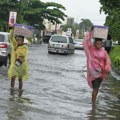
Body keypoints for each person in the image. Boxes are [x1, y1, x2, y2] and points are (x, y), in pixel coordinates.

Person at [82, 30, 111, 104]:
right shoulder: (91, 49)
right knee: (95, 88)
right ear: (94, 44)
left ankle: (93, 102)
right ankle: (93, 105)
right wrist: (91, 32)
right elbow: (85, 42)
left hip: (102, 72)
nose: (99, 45)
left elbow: (107, 60)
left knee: (97, 88)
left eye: (100, 44)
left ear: (102, 44)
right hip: (94, 72)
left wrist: (107, 68)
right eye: (97, 44)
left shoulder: (103, 52)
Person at [8, 28, 28, 94]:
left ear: (22, 41)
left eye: (20, 40)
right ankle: (11, 91)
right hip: (15, 64)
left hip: (21, 65)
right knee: (12, 78)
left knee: (20, 79)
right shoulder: (15, 45)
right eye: (18, 40)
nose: (19, 41)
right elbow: (11, 37)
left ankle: (20, 92)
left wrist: (16, 50)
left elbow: (22, 54)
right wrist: (12, 30)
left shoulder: (24, 48)